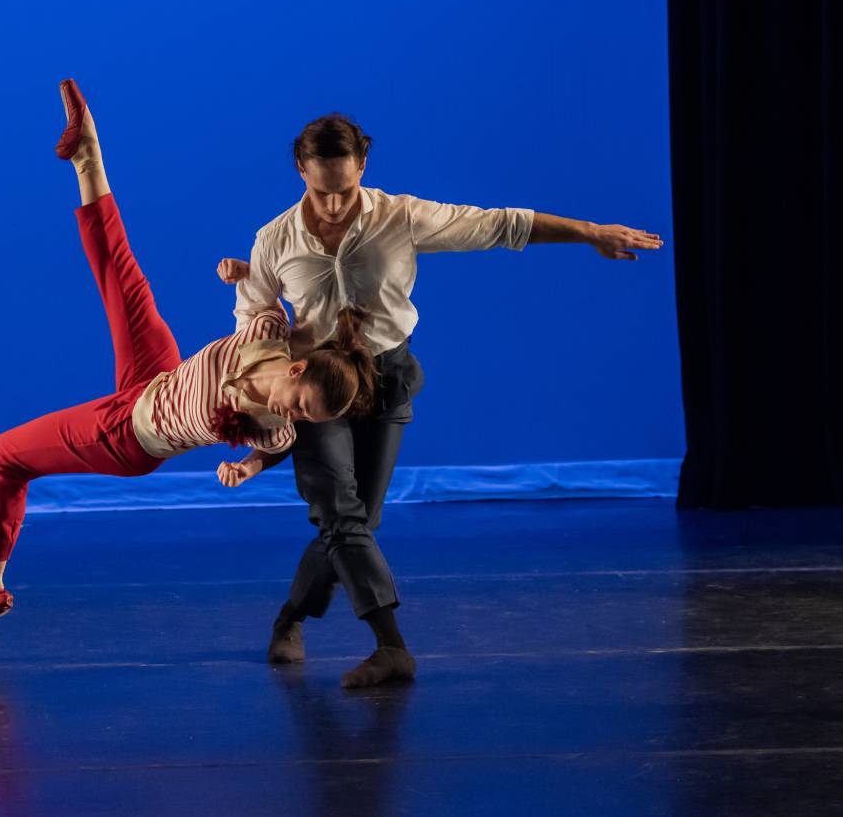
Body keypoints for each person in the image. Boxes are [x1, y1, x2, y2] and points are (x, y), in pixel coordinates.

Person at [222, 112, 663, 688]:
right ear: (301, 169)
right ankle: (391, 648)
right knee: (340, 515)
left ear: (363, 166)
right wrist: (263, 349)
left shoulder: (401, 217)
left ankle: (290, 617)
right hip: (317, 386)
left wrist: (588, 232)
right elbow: (251, 314)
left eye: (346, 189)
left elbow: (497, 225)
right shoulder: (274, 238)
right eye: (321, 191)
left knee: (360, 522)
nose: (334, 205)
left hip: (385, 374)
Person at [0, 82, 377, 663]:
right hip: (156, 374)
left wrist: (247, 468)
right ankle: (89, 153)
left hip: (127, 435)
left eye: (306, 418)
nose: (295, 416)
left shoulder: (273, 430)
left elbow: (274, 449)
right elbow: (263, 287)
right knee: (120, 269)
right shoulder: (268, 336)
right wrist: (239, 269)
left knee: (2, 455)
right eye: (301, 401)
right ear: (297, 366)